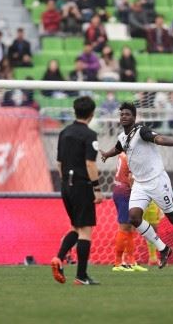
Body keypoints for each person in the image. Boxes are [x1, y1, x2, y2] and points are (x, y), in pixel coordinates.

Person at [100, 102, 173, 275]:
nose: (124, 116)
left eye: (127, 114)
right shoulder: (123, 137)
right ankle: (163, 249)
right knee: (133, 217)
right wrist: (106, 154)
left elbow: (159, 138)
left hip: (157, 181)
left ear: (134, 117)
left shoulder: (141, 131)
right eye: (122, 114)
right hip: (140, 183)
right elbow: (117, 148)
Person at [51, 96, 103, 285]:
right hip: (81, 185)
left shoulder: (64, 132)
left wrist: (66, 183)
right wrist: (97, 189)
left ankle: (59, 257)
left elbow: (59, 163)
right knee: (86, 231)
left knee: (76, 227)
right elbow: (90, 163)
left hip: (66, 185)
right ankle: (81, 276)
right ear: (92, 114)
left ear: (75, 111)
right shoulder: (90, 135)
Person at [111, 152, 149, 272]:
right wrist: (137, 193)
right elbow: (131, 177)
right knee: (124, 227)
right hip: (125, 193)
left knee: (131, 227)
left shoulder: (123, 154)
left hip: (119, 190)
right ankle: (118, 263)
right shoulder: (132, 156)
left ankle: (131, 261)